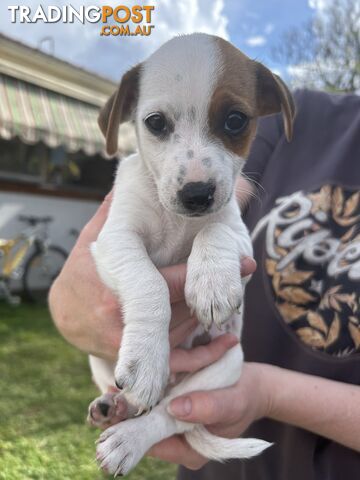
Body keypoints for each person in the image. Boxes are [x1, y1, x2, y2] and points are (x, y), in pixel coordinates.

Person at [49, 89, 360, 480]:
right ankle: (132, 404)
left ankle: (148, 425)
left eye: (231, 124)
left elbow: (229, 231)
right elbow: (223, 202)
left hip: (230, 378)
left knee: (223, 359)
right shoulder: (294, 115)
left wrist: (265, 392)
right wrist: (72, 301)